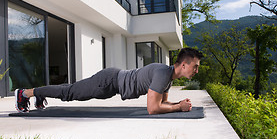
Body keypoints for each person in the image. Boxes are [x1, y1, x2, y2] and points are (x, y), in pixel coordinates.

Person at [15, 47, 203, 114]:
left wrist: (179, 103)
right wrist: (178, 107)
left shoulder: (168, 77)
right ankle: (25, 93)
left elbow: (162, 103)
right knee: (68, 93)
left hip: (112, 82)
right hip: (108, 82)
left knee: (70, 89)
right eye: (195, 67)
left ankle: (38, 94)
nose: (196, 71)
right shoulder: (163, 74)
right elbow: (153, 109)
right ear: (184, 65)